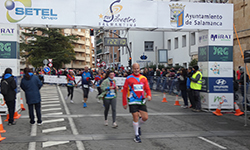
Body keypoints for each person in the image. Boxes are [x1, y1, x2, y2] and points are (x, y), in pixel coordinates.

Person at [123, 63, 152, 143]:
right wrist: (124, 102)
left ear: (140, 69)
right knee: (135, 116)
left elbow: (147, 88)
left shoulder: (144, 78)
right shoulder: (129, 78)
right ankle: (136, 135)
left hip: (141, 100)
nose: (136, 70)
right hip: (132, 101)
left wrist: (149, 95)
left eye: (137, 68)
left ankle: (137, 126)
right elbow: (125, 91)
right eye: (135, 68)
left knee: (145, 117)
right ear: (132, 69)